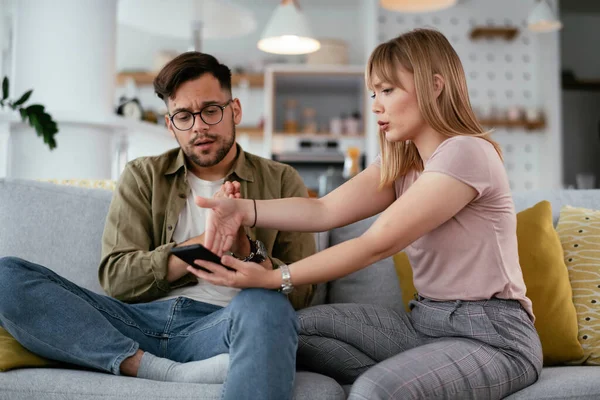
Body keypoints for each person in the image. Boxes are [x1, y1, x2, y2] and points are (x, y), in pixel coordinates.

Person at [187, 29, 543, 400]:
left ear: (435, 85)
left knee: (375, 390)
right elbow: (323, 209)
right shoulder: (402, 165)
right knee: (280, 328)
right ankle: (165, 364)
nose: (375, 105)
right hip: (425, 323)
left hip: (493, 337)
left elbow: (376, 244)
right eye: (374, 93)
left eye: (388, 91)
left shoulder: (467, 152)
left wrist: (274, 278)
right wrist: (241, 210)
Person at [0, 52, 316, 400]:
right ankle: (154, 368)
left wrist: (247, 252)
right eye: (183, 116)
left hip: (222, 324)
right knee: (7, 277)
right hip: (138, 324)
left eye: (211, 110)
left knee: (268, 309)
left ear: (235, 110)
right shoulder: (142, 175)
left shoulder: (282, 180)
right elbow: (117, 278)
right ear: (170, 125)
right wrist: (199, 248)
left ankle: (175, 364)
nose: (199, 127)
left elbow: (302, 291)